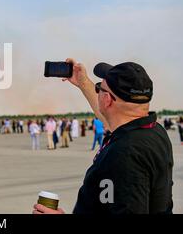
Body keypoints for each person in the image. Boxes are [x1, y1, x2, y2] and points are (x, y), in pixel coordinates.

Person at [34, 59, 173, 214]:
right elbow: (109, 117)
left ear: (106, 99)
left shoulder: (125, 154)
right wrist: (83, 82)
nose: (97, 91)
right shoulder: (152, 131)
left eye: (99, 88)